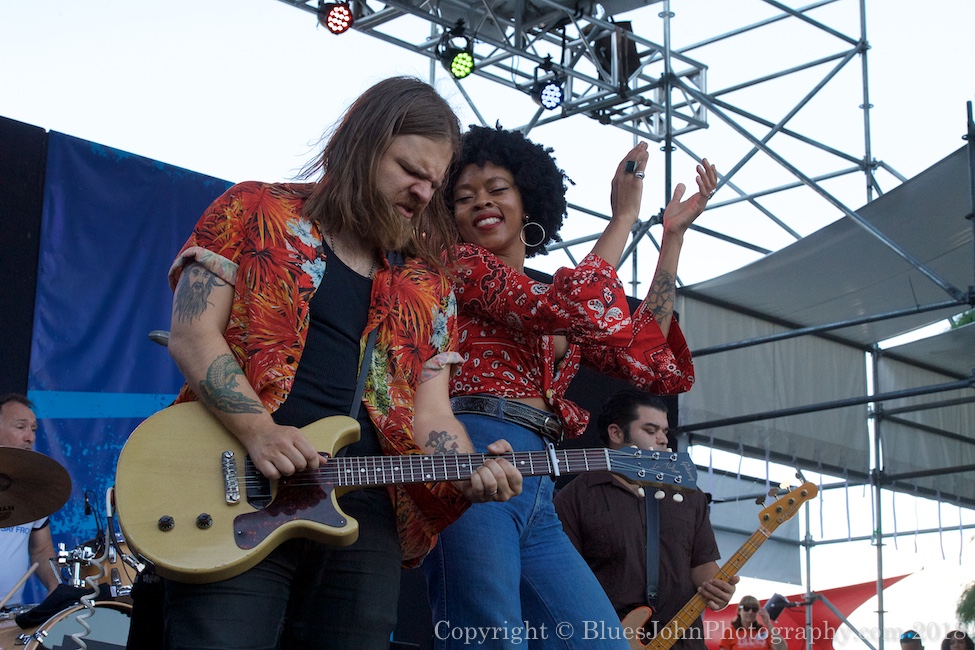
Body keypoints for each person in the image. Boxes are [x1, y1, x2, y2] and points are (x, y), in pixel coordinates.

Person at [160, 77, 522, 650]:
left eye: (433, 182)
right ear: (361, 144)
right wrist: (259, 432)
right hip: (239, 480)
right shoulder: (254, 209)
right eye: (410, 170)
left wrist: (467, 469)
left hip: (363, 508)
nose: (423, 192)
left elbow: (431, 414)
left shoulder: (430, 283)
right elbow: (192, 333)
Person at [422, 124, 717, 648]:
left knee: (600, 642)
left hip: (540, 482)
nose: (481, 202)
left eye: (497, 189)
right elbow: (570, 302)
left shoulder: (553, 305)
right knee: (491, 638)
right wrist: (622, 218)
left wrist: (671, 238)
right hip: (476, 457)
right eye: (463, 197)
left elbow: (646, 357)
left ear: (528, 202)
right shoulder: (459, 266)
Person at [554, 389, 737, 648]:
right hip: (609, 640)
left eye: (665, 431)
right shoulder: (577, 496)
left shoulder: (690, 494)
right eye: (651, 431)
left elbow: (701, 564)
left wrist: (719, 589)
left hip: (683, 642)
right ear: (616, 434)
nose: (663, 439)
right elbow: (563, 581)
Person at [0, 393, 59, 607]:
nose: (30, 437)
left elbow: (40, 550)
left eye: (33, 429)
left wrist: (55, 586)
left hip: (10, 613)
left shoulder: (33, 488)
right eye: (21, 427)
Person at [718, 596, 787, 650]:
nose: (750, 612)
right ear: (739, 611)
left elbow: (782, 649)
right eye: (746, 608)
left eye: (754, 609)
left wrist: (768, 623)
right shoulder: (730, 631)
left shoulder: (764, 631)